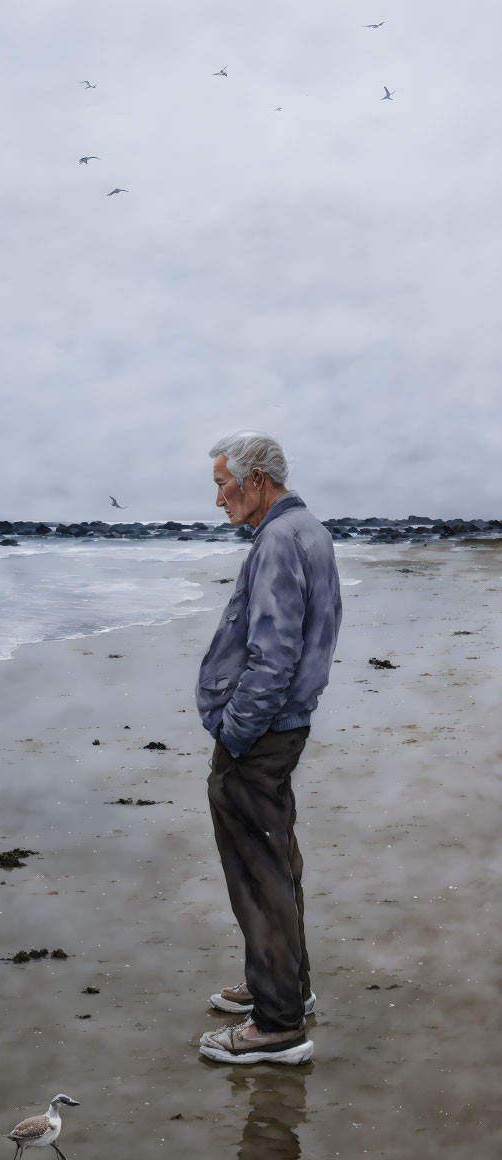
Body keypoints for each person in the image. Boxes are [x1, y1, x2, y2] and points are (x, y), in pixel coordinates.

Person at [195, 432, 342, 1065]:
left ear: (258, 481)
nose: (219, 498)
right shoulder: (306, 529)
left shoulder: (281, 540)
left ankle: (277, 1024)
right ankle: (286, 989)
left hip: (261, 735)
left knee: (259, 875)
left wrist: (234, 731)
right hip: (284, 728)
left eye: (226, 484)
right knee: (277, 861)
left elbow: (274, 656)